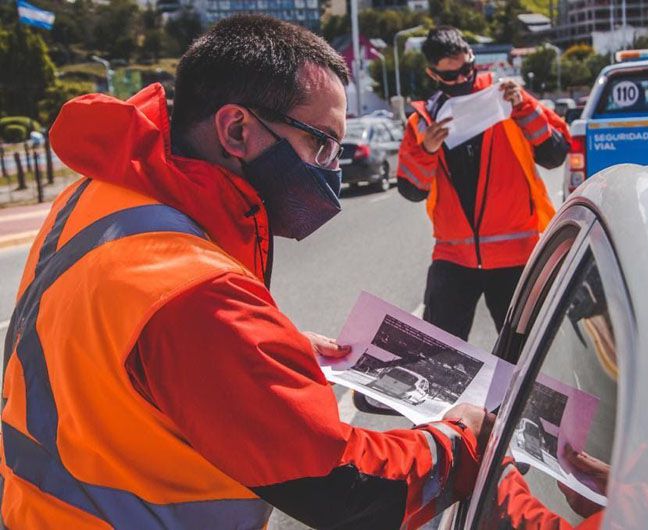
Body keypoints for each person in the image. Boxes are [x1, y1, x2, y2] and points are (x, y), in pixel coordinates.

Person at [0, 16, 494, 529]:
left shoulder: (95, 196)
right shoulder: (194, 293)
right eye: (321, 144)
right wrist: (458, 443)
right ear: (237, 128)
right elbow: (346, 488)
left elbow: (104, 348)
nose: (331, 169)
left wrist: (256, 349)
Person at [397, 26, 570, 341]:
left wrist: (523, 108)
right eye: (450, 76)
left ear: (472, 58)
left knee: (525, 353)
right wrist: (427, 151)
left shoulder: (506, 97)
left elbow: (555, 154)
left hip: (516, 254)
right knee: (439, 354)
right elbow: (411, 189)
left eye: (466, 69)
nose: (462, 79)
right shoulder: (423, 121)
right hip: (454, 257)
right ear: (431, 73)